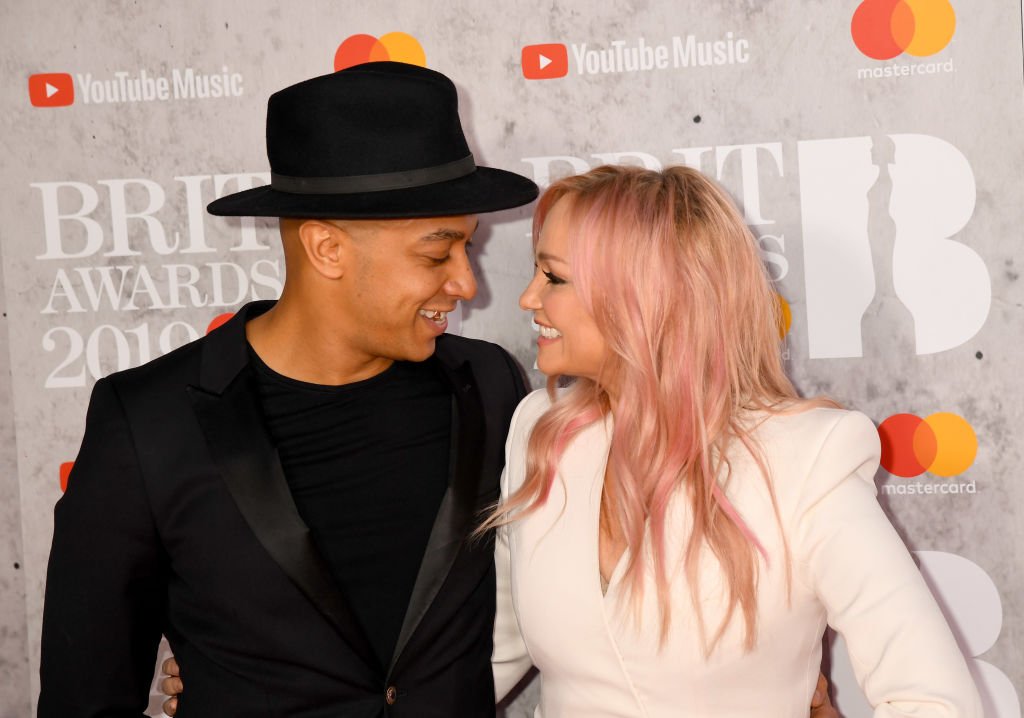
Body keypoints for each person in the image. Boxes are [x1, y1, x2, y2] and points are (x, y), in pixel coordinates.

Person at [38, 61, 537, 717]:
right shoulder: (149, 422)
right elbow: (85, 696)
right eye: (436, 252)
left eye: (466, 249)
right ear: (327, 249)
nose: (467, 284)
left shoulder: (490, 385)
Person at [482, 164, 983, 716]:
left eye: (553, 277)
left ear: (641, 297)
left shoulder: (804, 461)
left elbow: (933, 701)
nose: (528, 298)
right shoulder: (541, 431)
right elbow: (484, 659)